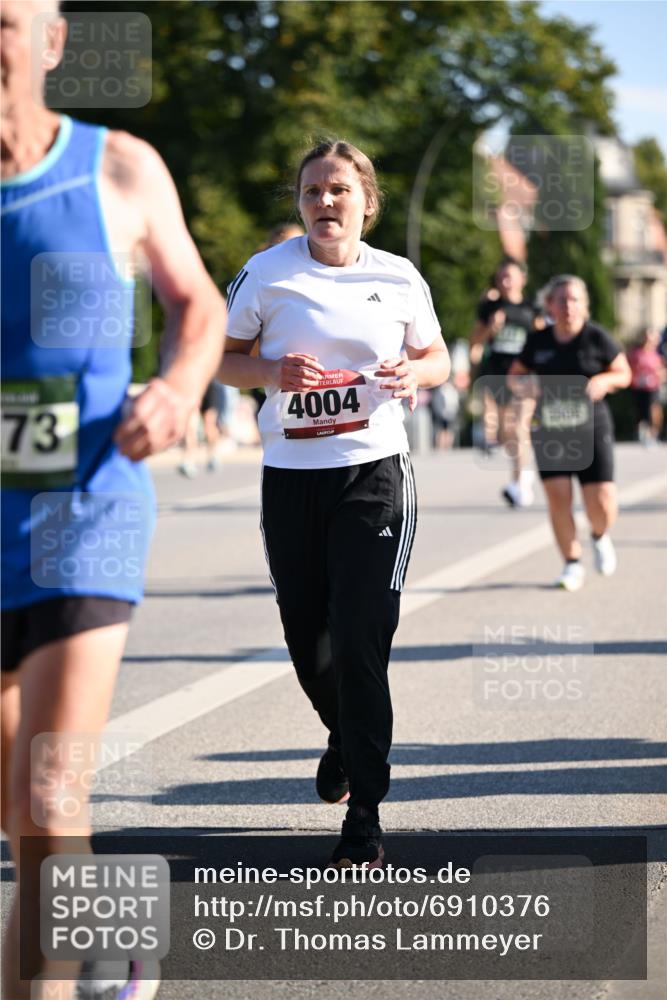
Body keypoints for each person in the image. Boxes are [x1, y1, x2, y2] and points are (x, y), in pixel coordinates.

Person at [1, 3, 226, 997]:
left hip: (85, 508)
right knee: (18, 812)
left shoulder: (118, 167)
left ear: (52, 43)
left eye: (1, 20)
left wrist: (177, 390)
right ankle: (108, 938)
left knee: (50, 795)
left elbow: (197, 303)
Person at [219, 138, 449, 869]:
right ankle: (342, 739)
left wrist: (416, 375)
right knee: (304, 638)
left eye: (339, 190)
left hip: (373, 473)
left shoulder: (399, 277)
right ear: (299, 202)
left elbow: (437, 357)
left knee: (359, 641)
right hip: (291, 474)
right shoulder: (265, 274)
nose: (325, 202)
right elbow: (219, 361)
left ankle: (366, 818)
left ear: (366, 203)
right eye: (313, 190)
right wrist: (270, 370)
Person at [508, 275, 631, 591]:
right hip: (550, 429)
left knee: (601, 502)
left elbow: (624, 373)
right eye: (561, 300)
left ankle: (600, 535)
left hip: (592, 427)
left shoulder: (596, 338)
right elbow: (514, 377)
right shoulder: (539, 341)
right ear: (549, 305)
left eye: (574, 300)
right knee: (559, 498)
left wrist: (605, 381)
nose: (568, 307)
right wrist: (527, 385)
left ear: (584, 305)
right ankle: (571, 563)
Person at [470, 258, 543, 507]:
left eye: (510, 276)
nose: (505, 281)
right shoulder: (490, 308)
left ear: (522, 279)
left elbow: (542, 339)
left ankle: (520, 481)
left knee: (519, 427)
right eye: (501, 277)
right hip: (496, 376)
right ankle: (521, 476)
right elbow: (475, 342)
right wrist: (491, 328)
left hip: (523, 376)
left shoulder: (531, 307)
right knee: (506, 432)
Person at [627, 327, 665, 445]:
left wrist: (659, 374)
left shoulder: (658, 354)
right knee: (640, 411)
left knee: (653, 409)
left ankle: (654, 433)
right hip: (638, 387)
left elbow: (662, 370)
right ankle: (642, 433)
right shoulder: (636, 353)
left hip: (653, 386)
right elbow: (629, 368)